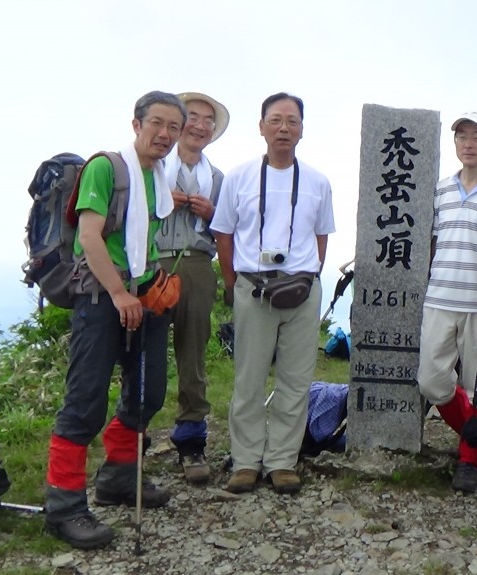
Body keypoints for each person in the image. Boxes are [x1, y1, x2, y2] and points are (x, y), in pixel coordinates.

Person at [44, 91, 186, 549]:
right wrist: (120, 292)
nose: (164, 135)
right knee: (85, 399)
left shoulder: (158, 176)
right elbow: (89, 234)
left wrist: (146, 287)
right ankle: (63, 506)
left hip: (145, 294)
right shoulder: (107, 167)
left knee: (148, 392)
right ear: (136, 123)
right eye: (157, 124)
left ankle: (119, 479)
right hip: (102, 296)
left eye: (173, 128)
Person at [210, 92, 335, 495]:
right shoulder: (239, 177)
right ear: (261, 126)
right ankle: (246, 461)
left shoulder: (317, 182)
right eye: (276, 120)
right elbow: (223, 235)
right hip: (254, 286)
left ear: (302, 129)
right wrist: (234, 286)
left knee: (295, 380)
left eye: (293, 121)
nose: (284, 128)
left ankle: (283, 460)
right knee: (249, 378)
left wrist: (310, 276)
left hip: (302, 288)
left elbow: (321, 237)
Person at [417, 111, 477, 494]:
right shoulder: (439, 190)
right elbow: (431, 243)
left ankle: (470, 461)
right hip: (439, 297)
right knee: (432, 381)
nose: (468, 143)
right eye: (462, 136)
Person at [157, 92, 229, 485]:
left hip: (199, 264)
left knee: (193, 353)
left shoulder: (217, 178)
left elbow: (229, 229)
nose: (200, 125)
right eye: (194, 117)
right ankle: (130, 439)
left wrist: (212, 212)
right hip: (152, 261)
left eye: (208, 121)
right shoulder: (150, 167)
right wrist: (161, 202)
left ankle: (191, 439)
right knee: (144, 351)